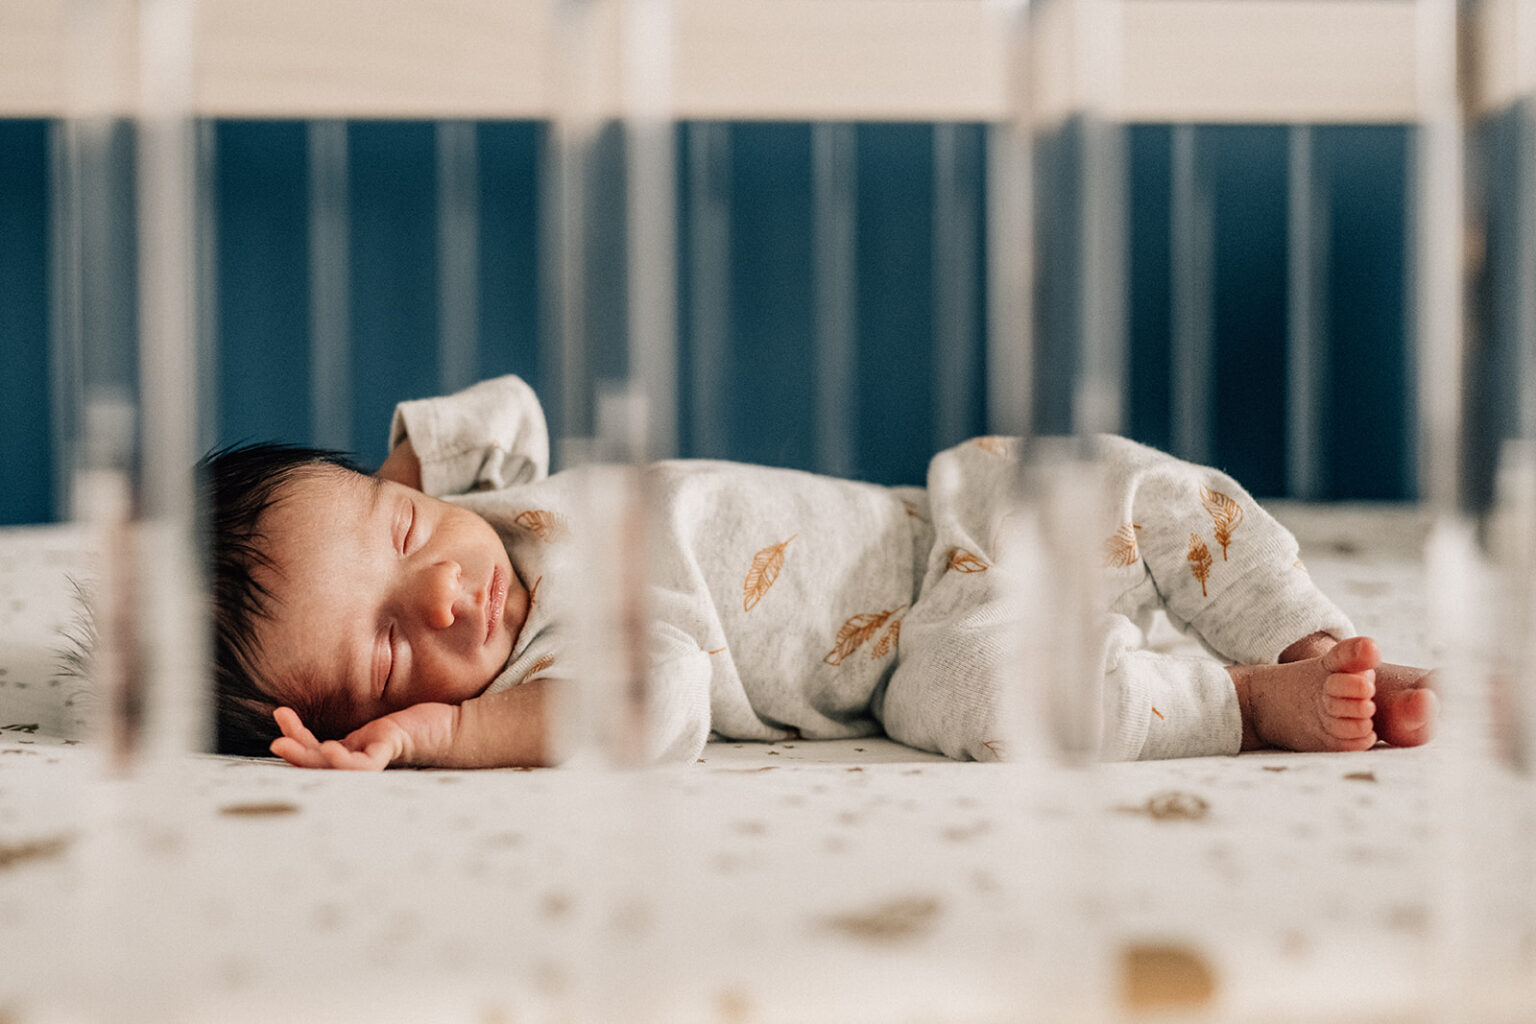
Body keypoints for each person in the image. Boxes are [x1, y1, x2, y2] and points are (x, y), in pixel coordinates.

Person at [205, 376, 1437, 770]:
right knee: (1007, 698)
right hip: (923, 648)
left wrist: (400, 476)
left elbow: (501, 411)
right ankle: (1241, 705)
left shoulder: (476, 508)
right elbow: (659, 707)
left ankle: (1306, 638)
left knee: (1141, 485)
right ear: (363, 715)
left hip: (945, 514)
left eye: (403, 538)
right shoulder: (550, 667)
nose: (435, 599)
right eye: (384, 651)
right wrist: (450, 734)